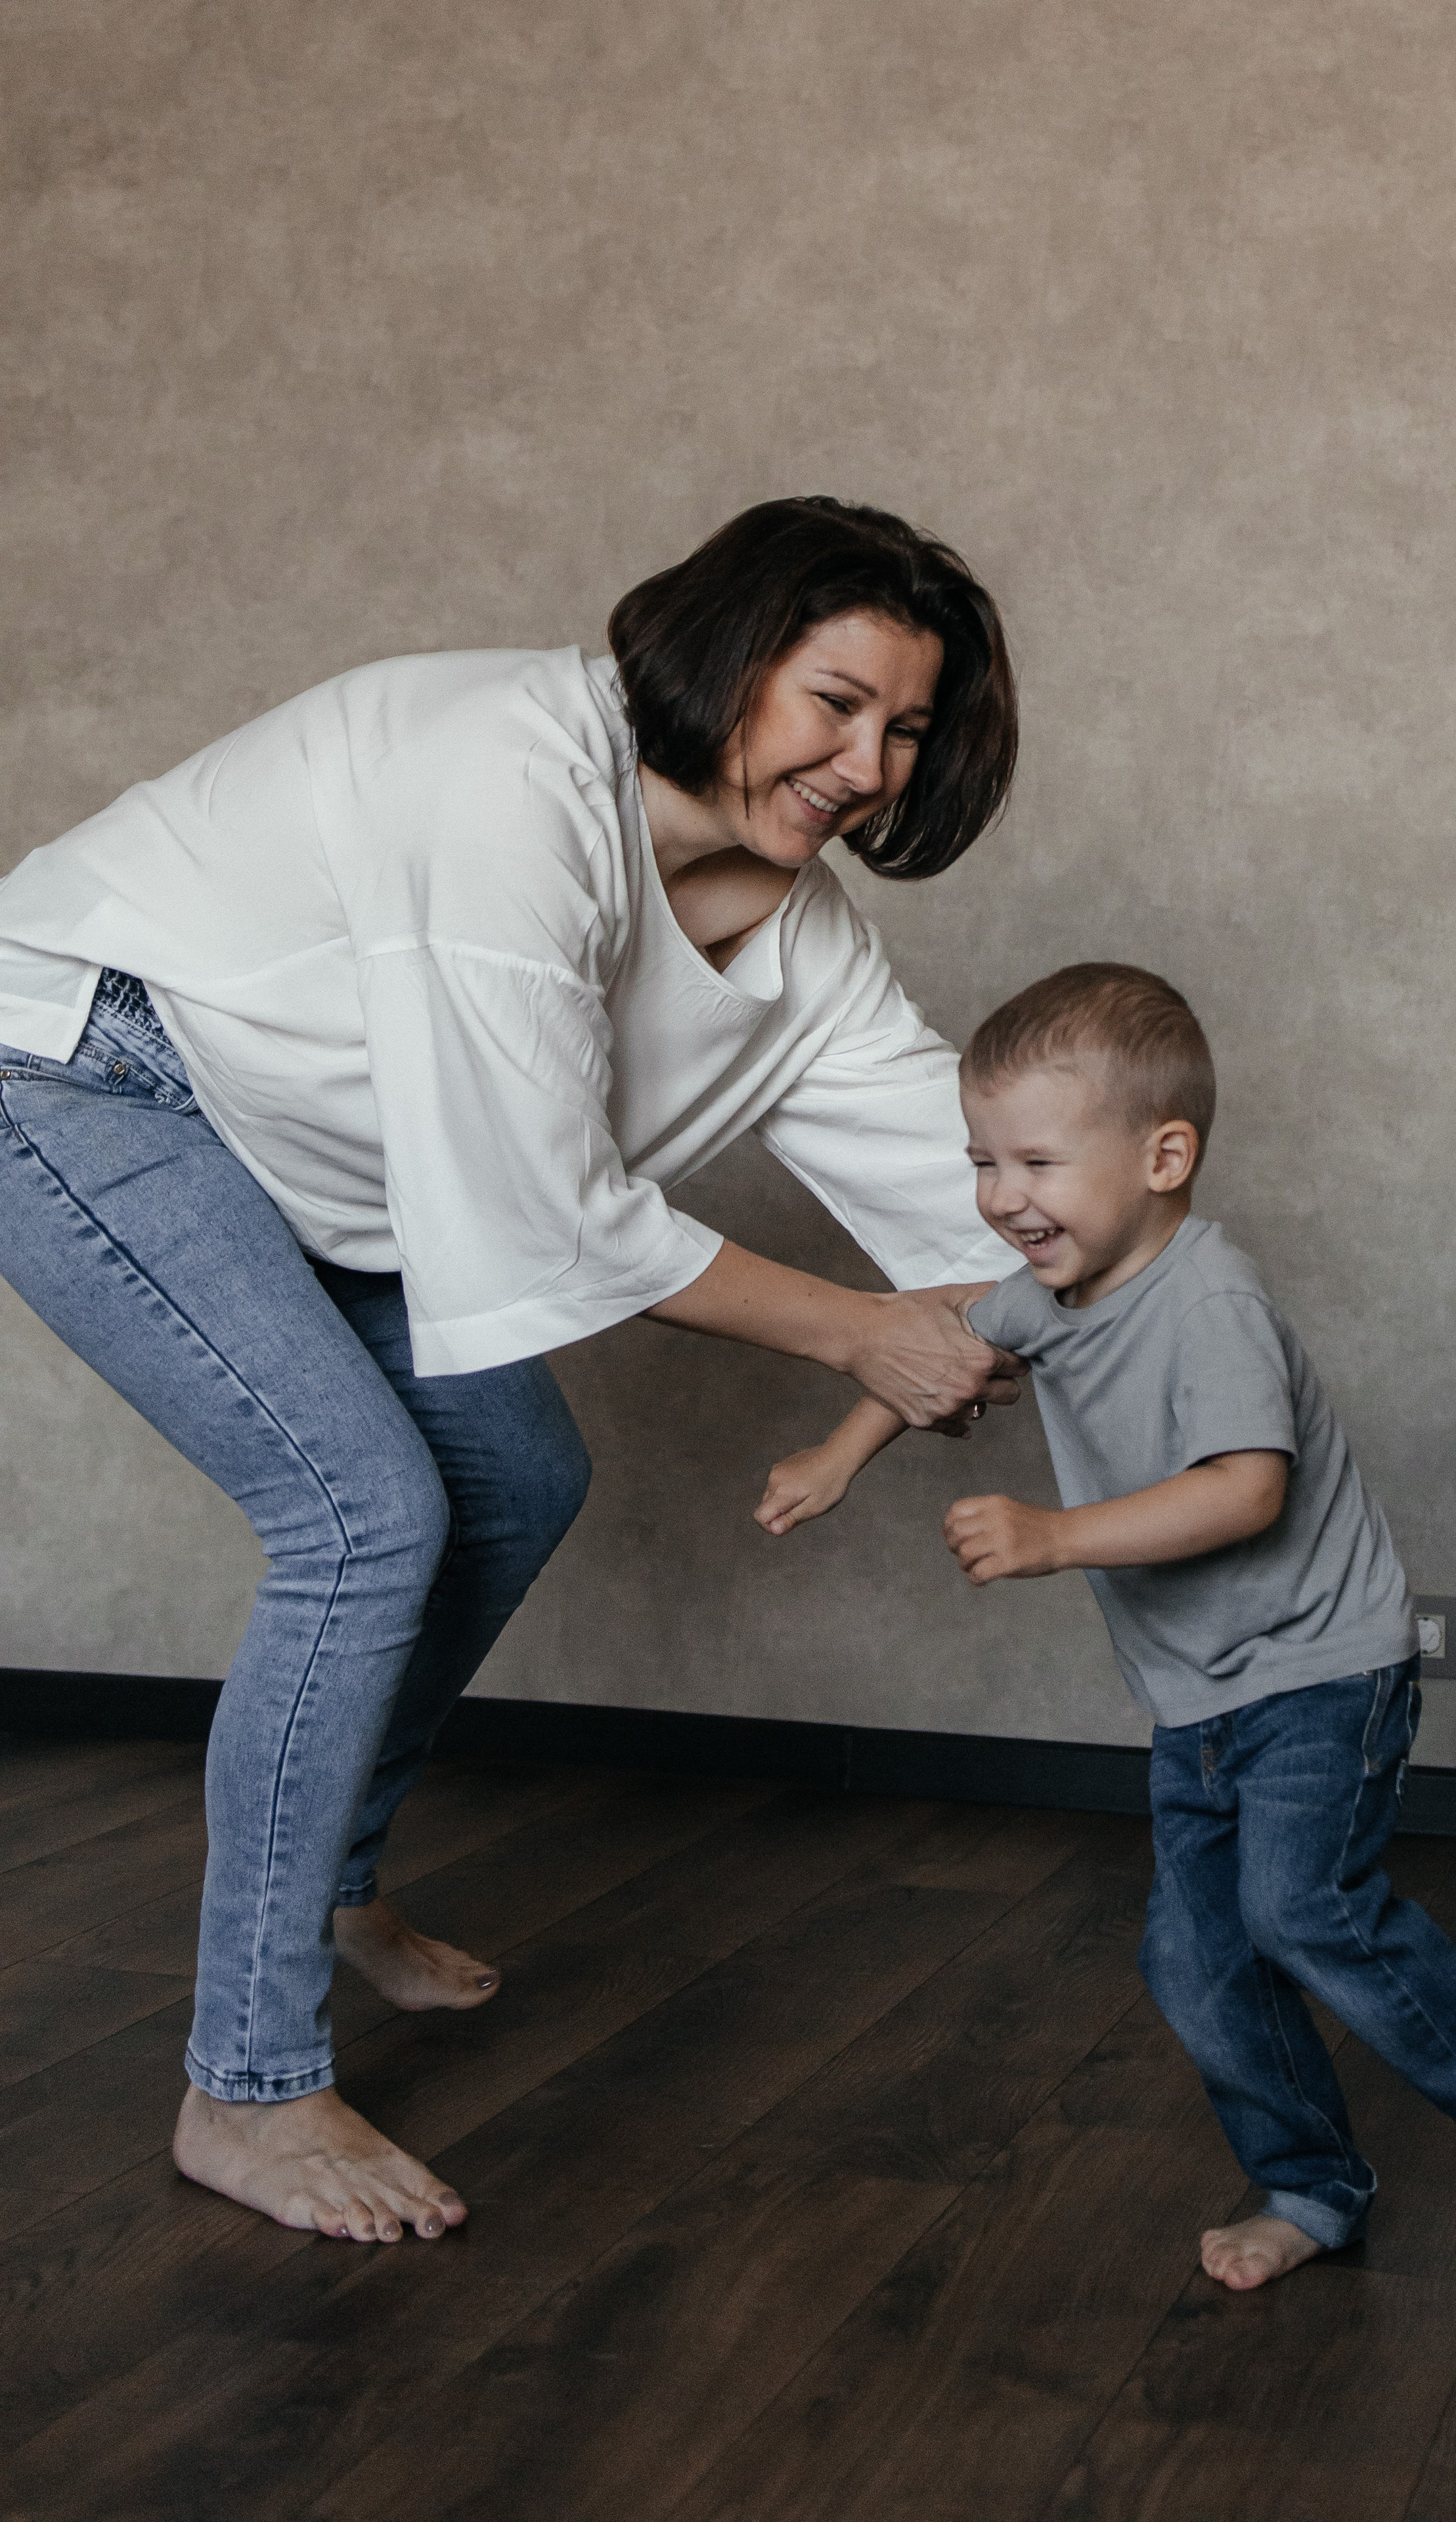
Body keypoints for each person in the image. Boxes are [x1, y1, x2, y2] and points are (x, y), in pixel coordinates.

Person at [0, 497, 1025, 2242]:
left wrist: (1175, 1327)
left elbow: (987, 1202)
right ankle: (246, 2086)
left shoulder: (808, 946)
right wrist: (864, 1332)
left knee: (520, 1478)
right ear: (727, 658)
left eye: (908, 729)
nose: (868, 767)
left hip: (341, 1156)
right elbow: (548, 1214)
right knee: (362, 1518)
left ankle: (327, 1881)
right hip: (89, 1062)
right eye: (837, 702)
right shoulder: (510, 776)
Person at [757, 960, 1456, 2288]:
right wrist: (837, 1453)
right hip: (1196, 1696)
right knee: (1195, 1962)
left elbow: (1243, 1491)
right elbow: (944, 1337)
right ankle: (1311, 2187)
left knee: (1300, 1908)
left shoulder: (1210, 1301)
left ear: (1163, 1158)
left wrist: (1052, 1537)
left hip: (1323, 1673)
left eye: (1036, 1162)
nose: (1000, 1197)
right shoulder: (1045, 1290)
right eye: (982, 1162)